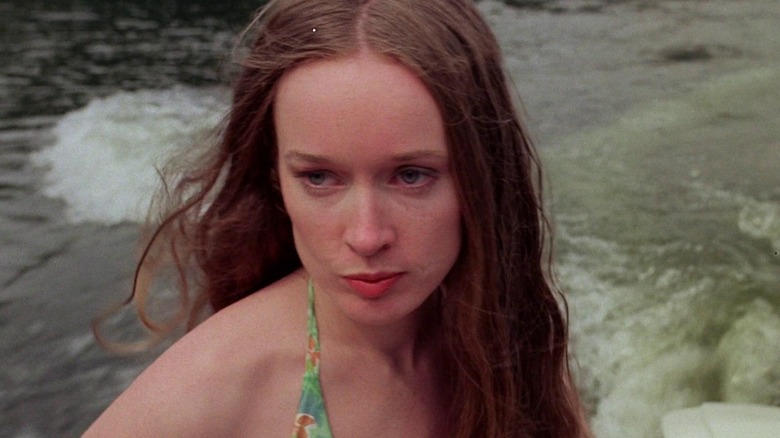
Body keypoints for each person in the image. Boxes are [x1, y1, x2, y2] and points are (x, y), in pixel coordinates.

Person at [85, 0, 592, 436]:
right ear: (274, 178)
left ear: (484, 177)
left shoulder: (513, 339)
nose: (367, 236)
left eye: (412, 176)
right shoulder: (207, 392)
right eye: (319, 178)